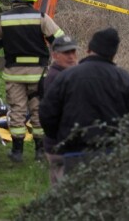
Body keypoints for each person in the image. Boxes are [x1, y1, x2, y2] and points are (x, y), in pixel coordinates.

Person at [39, 27, 129, 174]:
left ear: (89, 49)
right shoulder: (126, 80)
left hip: (72, 152)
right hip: (111, 153)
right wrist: (121, 140)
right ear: (114, 53)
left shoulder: (66, 77)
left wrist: (60, 138)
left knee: (72, 194)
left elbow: (47, 113)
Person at [0, 0, 66, 162]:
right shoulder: (41, 18)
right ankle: (40, 151)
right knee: (38, 110)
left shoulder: (3, 19)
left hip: (14, 74)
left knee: (17, 109)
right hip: (38, 74)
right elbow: (60, 39)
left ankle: (17, 151)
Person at [39, 34, 79, 185]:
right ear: (55, 55)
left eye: (73, 52)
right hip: (60, 145)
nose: (71, 57)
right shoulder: (57, 78)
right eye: (66, 53)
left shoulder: (67, 74)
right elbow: (50, 114)